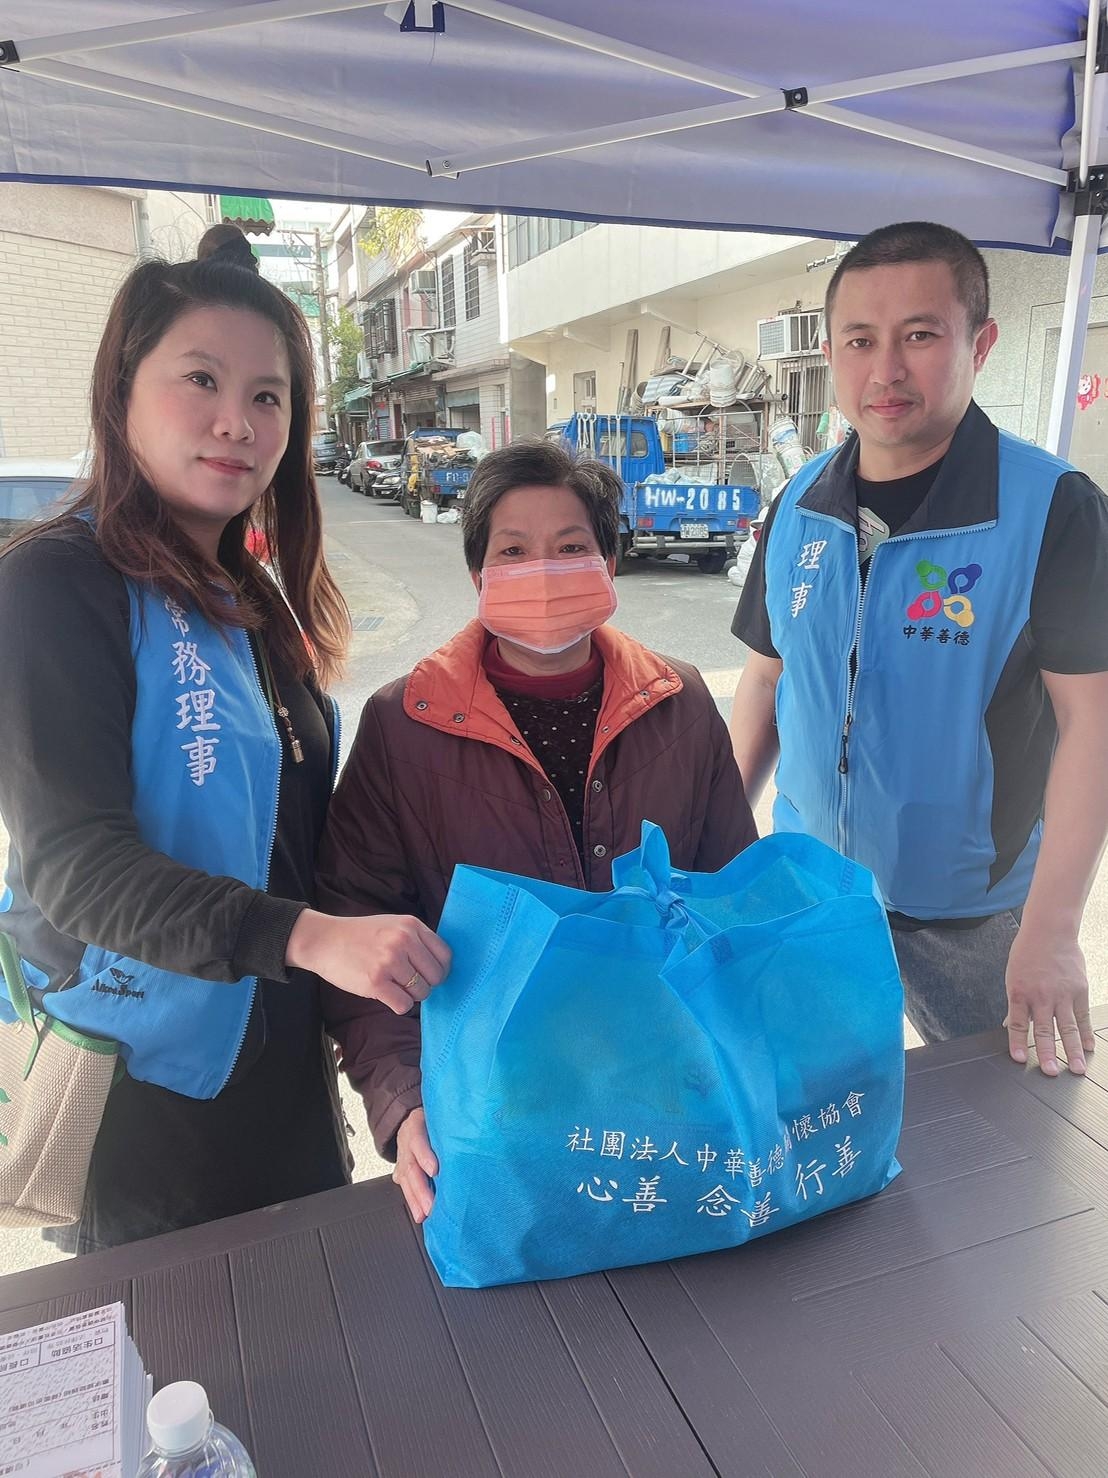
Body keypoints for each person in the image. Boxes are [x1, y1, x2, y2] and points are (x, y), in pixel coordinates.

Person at [0, 224, 449, 1252]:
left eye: (268, 395)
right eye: (200, 379)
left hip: (284, 1065)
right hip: (145, 1095)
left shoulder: (250, 597)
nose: (236, 422)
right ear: (121, 389)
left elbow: (302, 840)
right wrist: (310, 937)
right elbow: (76, 868)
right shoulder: (55, 583)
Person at [317, 439, 757, 1222]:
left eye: (571, 547)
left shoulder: (681, 704)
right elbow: (360, 930)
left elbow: (735, 907)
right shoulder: (403, 725)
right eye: (513, 551)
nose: (544, 572)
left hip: (668, 1107)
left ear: (609, 562)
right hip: (493, 1123)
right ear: (478, 574)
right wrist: (405, 1101)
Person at [730, 221, 1108, 1078]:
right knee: (818, 1110)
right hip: (817, 895)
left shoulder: (1054, 508)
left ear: (982, 344)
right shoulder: (798, 504)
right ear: (831, 352)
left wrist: (1053, 932)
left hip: (976, 914)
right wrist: (715, 840)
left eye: (921, 336)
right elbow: (764, 680)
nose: (886, 370)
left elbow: (1093, 723)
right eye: (861, 340)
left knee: (1012, 1127)